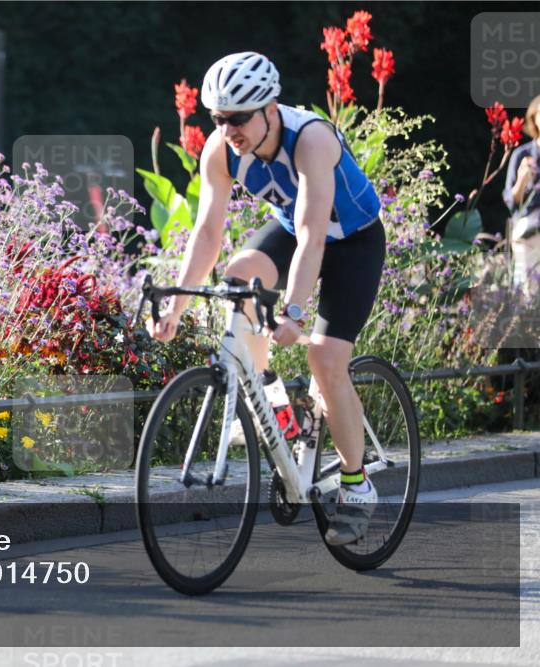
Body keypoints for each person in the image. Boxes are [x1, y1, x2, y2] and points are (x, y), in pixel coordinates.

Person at [148, 52, 385, 546]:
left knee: (324, 356)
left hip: (352, 240)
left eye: (238, 118)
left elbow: (313, 235)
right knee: (238, 277)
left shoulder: (312, 140)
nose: (228, 129)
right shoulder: (220, 148)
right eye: (218, 118)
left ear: (270, 109)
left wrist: (295, 313)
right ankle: (274, 407)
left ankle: (356, 484)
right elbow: (208, 230)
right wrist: (176, 308)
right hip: (292, 234)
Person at [503, 94, 540, 295]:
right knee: (529, 293)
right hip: (528, 230)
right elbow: (511, 201)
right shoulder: (522, 155)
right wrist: (522, 180)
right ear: (534, 118)